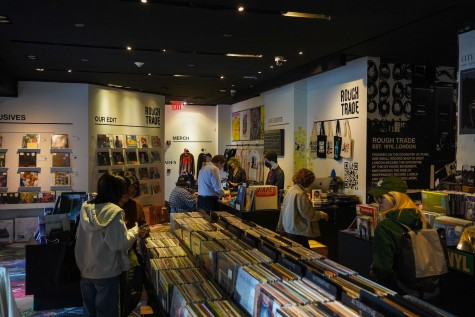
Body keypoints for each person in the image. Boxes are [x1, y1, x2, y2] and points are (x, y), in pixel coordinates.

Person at [75, 172, 139, 317]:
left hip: (86, 269)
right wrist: (135, 231)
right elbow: (120, 244)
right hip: (107, 271)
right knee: (108, 312)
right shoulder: (115, 212)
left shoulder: (86, 207)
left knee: (89, 312)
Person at [368, 176, 439, 302]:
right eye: (377, 198)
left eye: (382, 197)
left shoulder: (385, 227)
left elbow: (383, 268)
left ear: (395, 198)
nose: (378, 201)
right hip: (428, 291)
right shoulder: (422, 220)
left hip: (397, 293)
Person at [115, 170, 150, 317]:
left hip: (129, 253)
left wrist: (143, 231)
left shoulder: (136, 205)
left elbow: (143, 225)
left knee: (132, 290)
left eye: (131, 192)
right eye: (125, 192)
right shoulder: (107, 207)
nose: (128, 196)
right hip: (108, 257)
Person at [277, 168, 328, 248]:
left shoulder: (290, 190)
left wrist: (280, 226)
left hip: (288, 227)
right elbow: (308, 214)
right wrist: (321, 214)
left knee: (299, 254)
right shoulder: (300, 194)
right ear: (308, 181)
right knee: (304, 255)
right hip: (297, 230)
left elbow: (283, 209)